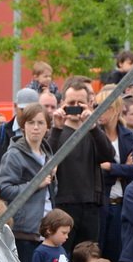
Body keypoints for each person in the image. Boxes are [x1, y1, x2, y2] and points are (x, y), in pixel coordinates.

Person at [49, 79, 114, 250]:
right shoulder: (56, 131)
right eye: (71, 103)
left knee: (87, 258)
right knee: (63, 257)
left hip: (90, 205)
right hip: (63, 204)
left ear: (90, 104)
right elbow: (48, 160)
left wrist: (92, 125)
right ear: (62, 103)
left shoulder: (93, 131)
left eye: (80, 103)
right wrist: (56, 128)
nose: (75, 107)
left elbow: (108, 155)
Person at [0, 104, 54, 262]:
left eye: (40, 123)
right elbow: (5, 189)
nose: (35, 128)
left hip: (47, 229)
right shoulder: (14, 155)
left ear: (47, 127)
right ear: (23, 126)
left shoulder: (48, 154)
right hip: (25, 230)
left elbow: (51, 191)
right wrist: (36, 184)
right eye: (30, 123)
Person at [96, 89, 133, 262]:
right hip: (99, 202)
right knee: (97, 253)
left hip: (122, 203)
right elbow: (94, 169)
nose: (98, 111)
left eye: (102, 107)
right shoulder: (93, 134)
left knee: (115, 256)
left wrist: (111, 167)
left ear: (114, 109)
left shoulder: (129, 137)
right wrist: (123, 168)